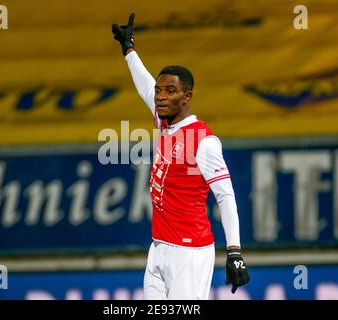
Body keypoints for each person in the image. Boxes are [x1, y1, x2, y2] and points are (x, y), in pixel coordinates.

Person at [112, 13, 250, 300]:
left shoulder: (204, 141)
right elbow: (144, 85)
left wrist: (234, 251)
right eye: (160, 91)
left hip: (190, 252)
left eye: (170, 91)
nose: (160, 96)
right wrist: (129, 50)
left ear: (186, 97)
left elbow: (225, 196)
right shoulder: (165, 121)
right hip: (158, 247)